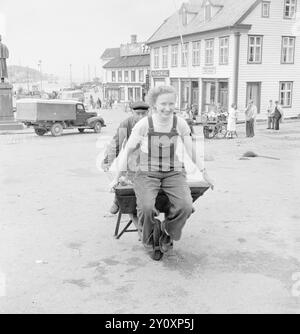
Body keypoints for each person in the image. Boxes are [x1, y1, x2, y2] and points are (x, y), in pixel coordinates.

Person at [110, 86, 214, 261]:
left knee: (186, 206)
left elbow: (191, 149)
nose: (167, 108)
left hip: (173, 172)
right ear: (154, 105)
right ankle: (149, 240)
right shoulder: (144, 124)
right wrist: (116, 177)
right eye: (163, 104)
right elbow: (127, 150)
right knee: (146, 207)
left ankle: (167, 231)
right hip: (147, 172)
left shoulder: (179, 123)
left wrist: (204, 172)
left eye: (171, 103)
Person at [102, 101, 150, 214]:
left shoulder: (152, 122)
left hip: (148, 156)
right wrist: (107, 161)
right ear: (132, 112)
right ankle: (117, 202)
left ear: (148, 112)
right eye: (138, 113)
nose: (141, 116)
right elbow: (116, 142)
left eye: (144, 113)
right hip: (131, 155)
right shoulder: (126, 123)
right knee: (123, 179)